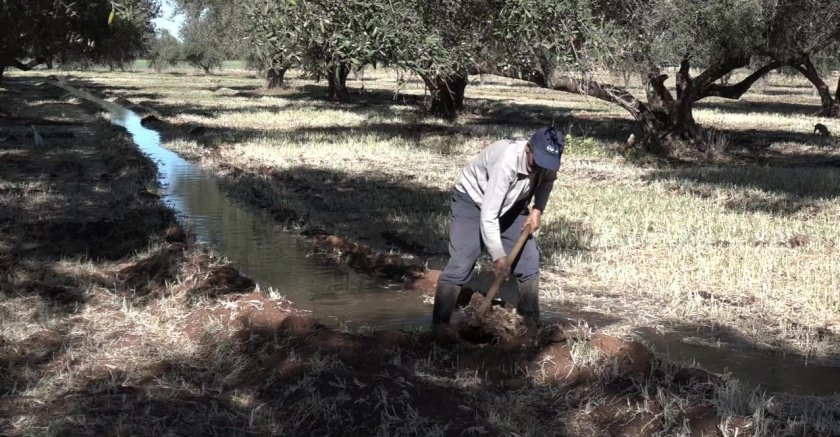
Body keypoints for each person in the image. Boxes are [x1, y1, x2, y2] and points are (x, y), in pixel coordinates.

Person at [432, 126, 563, 337]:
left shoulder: (548, 159)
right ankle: (439, 329)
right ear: (528, 149)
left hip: (513, 204)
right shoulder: (506, 162)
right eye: (537, 162)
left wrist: (537, 209)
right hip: (473, 201)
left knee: (529, 259)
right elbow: (489, 214)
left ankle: (530, 327)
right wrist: (498, 255)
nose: (540, 167)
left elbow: (547, 180)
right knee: (462, 261)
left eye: (546, 164)